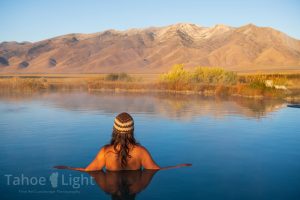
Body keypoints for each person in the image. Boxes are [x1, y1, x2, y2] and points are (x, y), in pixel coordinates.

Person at [54, 112, 191, 171]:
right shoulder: (141, 152)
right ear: (132, 130)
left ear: (114, 130)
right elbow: (156, 169)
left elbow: (88, 170)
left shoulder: (105, 152)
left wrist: (68, 168)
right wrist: (178, 166)